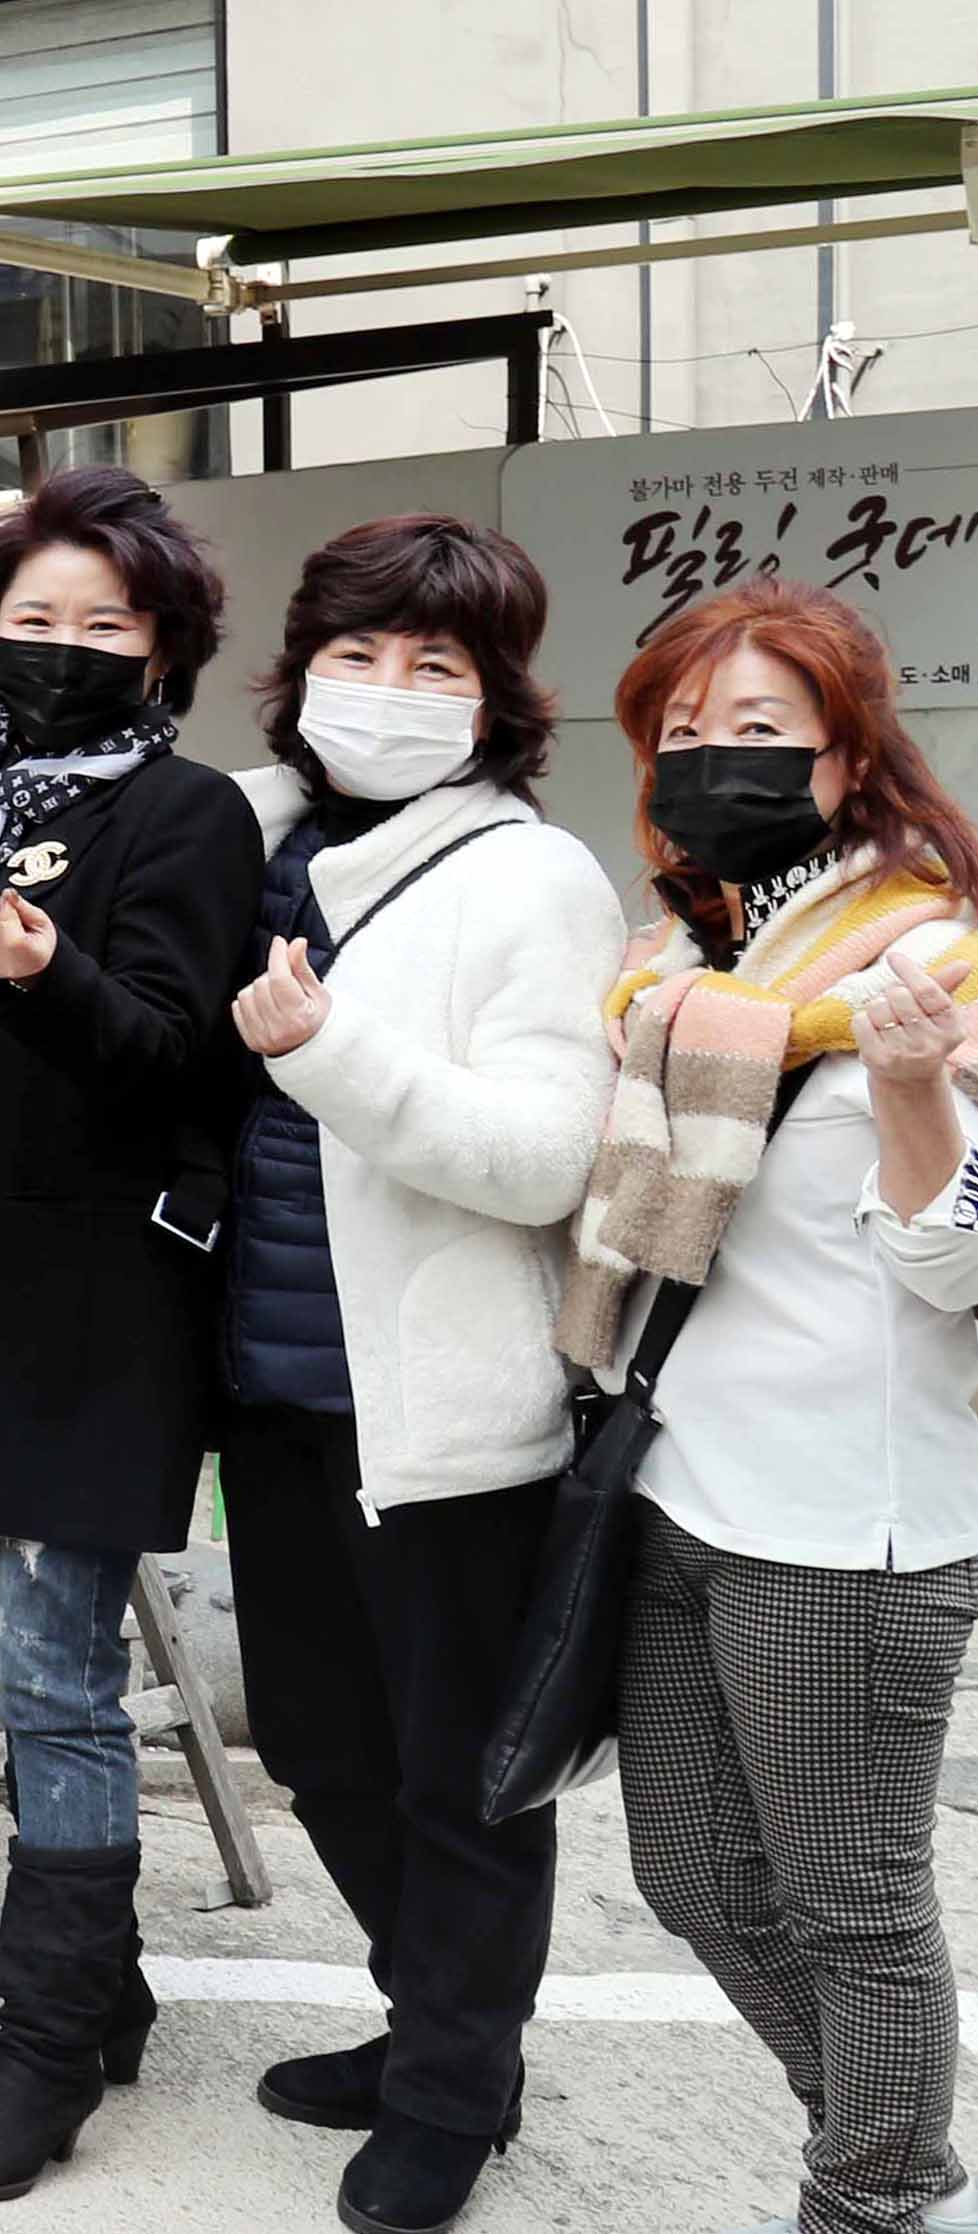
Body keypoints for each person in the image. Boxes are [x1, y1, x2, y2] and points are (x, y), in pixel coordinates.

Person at [205, 518, 621, 2233]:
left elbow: (542, 1157)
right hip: (267, 1388)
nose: (385, 687)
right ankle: (434, 2020)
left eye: (432, 662)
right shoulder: (247, 840)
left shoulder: (532, 878)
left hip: (437, 1415)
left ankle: (452, 2086)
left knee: (459, 1777)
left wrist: (333, 1051)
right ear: (301, 670)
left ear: (492, 695)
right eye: (355, 653)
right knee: (317, 1745)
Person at [0, 464, 266, 2203]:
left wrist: (48, 979)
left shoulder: (186, 813)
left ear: (160, 645)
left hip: (91, 1300)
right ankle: (102, 1992)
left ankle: (44, 2047)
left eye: (103, 621)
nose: (62, 646)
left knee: (53, 1674)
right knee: (26, 1661)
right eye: (32, 617)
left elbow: (181, 1053)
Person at [575, 580, 978, 2234]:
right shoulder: (684, 964)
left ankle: (872, 2197)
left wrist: (909, 1087)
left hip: (842, 1522)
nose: (709, 757)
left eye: (757, 727)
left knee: (848, 1901)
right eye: (681, 730)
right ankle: (887, 2151)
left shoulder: (933, 955)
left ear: (847, 753)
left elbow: (958, 1268)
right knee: (688, 1874)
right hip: (679, 1485)